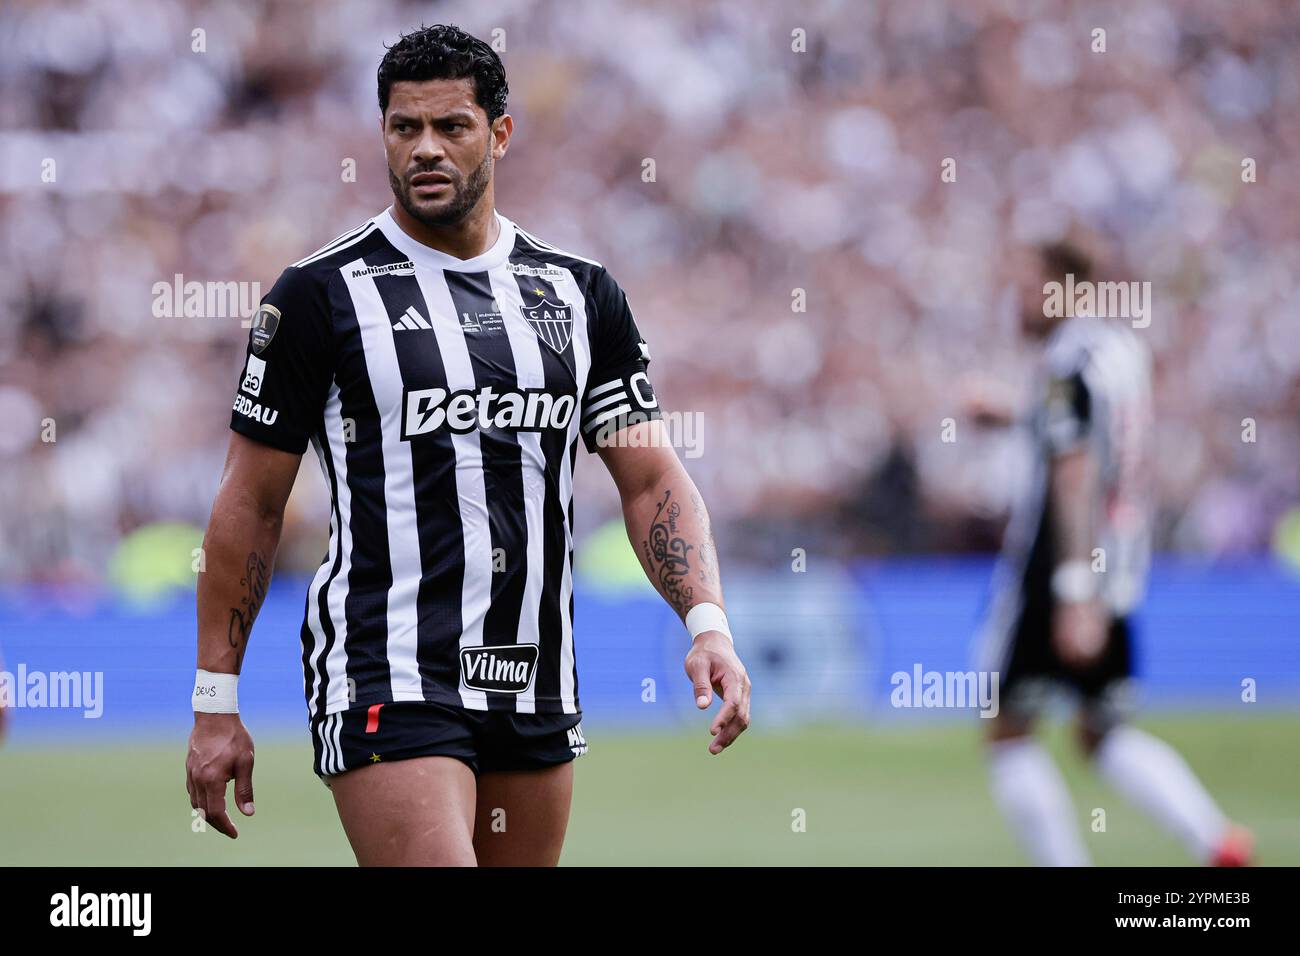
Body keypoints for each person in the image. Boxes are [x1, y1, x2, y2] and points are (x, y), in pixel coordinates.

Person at [185, 24, 750, 866]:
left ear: (501, 133)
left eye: (451, 126)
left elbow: (648, 478)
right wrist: (214, 699)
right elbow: (251, 502)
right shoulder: (320, 295)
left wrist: (707, 623)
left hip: (533, 671)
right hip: (388, 667)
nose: (425, 148)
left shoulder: (580, 292)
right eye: (404, 127)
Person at [975, 241, 1251, 866]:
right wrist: (1015, 416)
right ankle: (1217, 840)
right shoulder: (1120, 353)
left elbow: (1075, 470)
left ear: (1062, 288)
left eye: (1027, 288)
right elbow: (1098, 439)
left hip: (1061, 567)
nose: (1015, 303)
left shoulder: (1066, 363)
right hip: (1119, 566)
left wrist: (1074, 592)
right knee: (1100, 734)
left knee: (1008, 730)